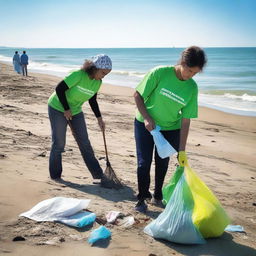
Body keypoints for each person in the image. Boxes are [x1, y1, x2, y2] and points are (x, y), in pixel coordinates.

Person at [134, 46, 207, 213]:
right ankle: (141, 198)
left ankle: (158, 195)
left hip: (170, 128)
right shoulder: (159, 73)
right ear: (182, 63)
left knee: (162, 162)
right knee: (143, 163)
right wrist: (147, 117)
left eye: (194, 73)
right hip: (145, 123)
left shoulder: (192, 88)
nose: (190, 76)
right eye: (189, 70)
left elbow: (186, 120)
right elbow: (138, 95)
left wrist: (182, 150)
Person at [48, 54, 113, 187]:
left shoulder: (97, 82)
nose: (104, 76)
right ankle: (55, 176)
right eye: (103, 73)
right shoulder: (78, 75)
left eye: (106, 74)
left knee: (84, 142)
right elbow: (59, 89)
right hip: (57, 107)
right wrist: (66, 109)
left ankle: (98, 175)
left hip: (76, 110)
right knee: (59, 143)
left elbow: (92, 100)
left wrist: (99, 118)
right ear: (94, 68)